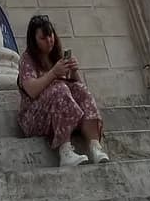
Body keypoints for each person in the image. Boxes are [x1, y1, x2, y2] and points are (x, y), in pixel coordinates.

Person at [17, 14, 109, 168]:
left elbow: (77, 89)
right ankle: (65, 150)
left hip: (62, 109)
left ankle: (94, 146)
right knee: (59, 89)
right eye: (43, 38)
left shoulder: (56, 55)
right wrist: (53, 73)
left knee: (80, 89)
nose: (49, 41)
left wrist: (73, 72)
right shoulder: (27, 60)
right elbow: (32, 90)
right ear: (34, 40)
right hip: (34, 117)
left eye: (51, 35)